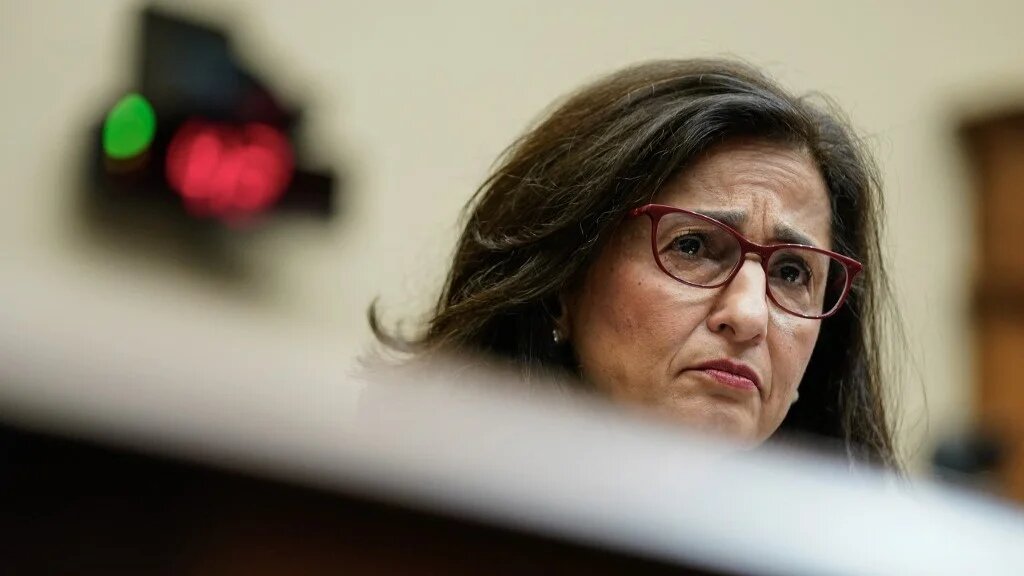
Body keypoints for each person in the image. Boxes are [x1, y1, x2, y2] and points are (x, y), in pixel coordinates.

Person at [371, 58, 900, 470]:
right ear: (563, 286)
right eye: (692, 246)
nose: (750, 316)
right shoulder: (399, 531)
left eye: (791, 273)